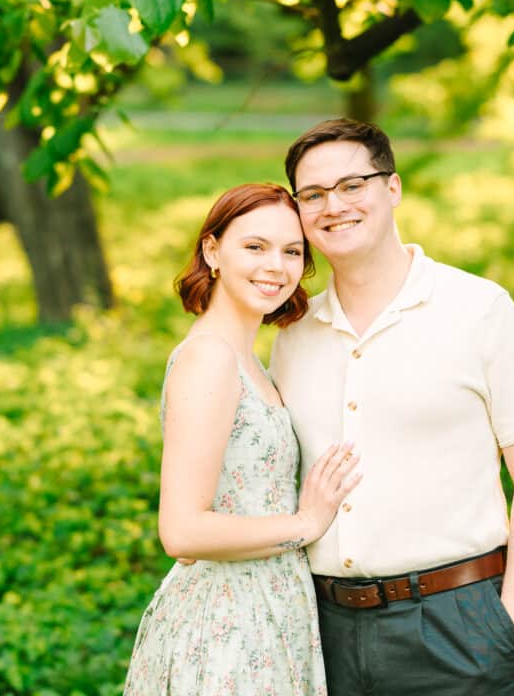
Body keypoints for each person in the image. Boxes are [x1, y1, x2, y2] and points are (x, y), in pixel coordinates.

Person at [270, 119, 514, 696]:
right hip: (324, 630)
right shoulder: (293, 333)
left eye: (352, 185)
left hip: (457, 623)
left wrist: (507, 628)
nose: (334, 206)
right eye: (314, 195)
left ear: (393, 187)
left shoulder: (479, 309)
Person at [123, 182, 361, 696]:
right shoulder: (209, 357)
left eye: (292, 251)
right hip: (226, 627)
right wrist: (306, 523)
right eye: (255, 246)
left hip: (270, 613)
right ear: (212, 251)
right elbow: (182, 532)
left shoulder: (249, 360)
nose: (275, 266)